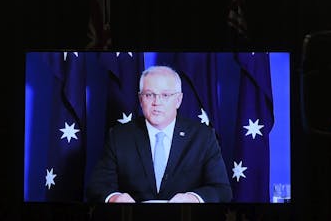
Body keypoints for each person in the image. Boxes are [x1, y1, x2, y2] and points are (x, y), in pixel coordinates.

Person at [87, 65, 232, 203]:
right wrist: (114, 197)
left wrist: (193, 198)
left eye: (165, 95)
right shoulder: (119, 136)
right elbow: (97, 186)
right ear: (140, 99)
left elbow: (222, 189)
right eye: (149, 95)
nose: (157, 102)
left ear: (178, 100)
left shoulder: (203, 136)